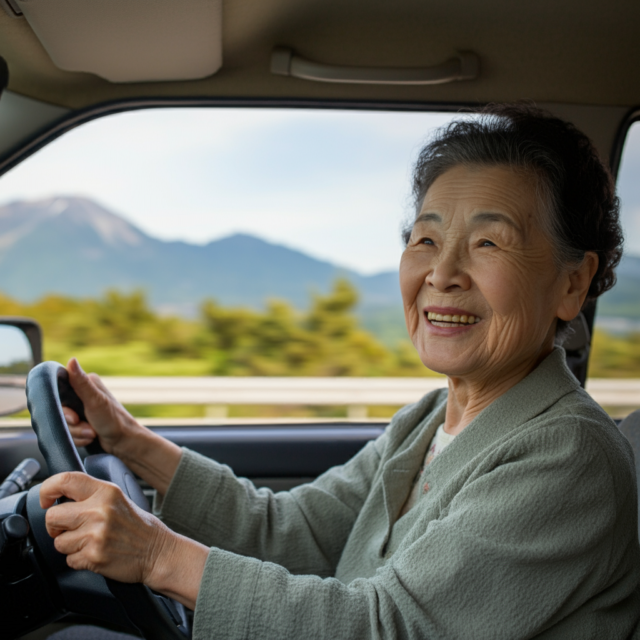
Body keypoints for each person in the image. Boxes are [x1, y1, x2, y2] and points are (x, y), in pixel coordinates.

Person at [44, 104, 640, 640]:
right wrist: (127, 440)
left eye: (488, 243)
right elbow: (291, 531)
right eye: (425, 239)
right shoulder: (428, 421)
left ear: (572, 283)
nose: (443, 272)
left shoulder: (568, 457)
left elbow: (386, 627)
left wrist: (156, 556)